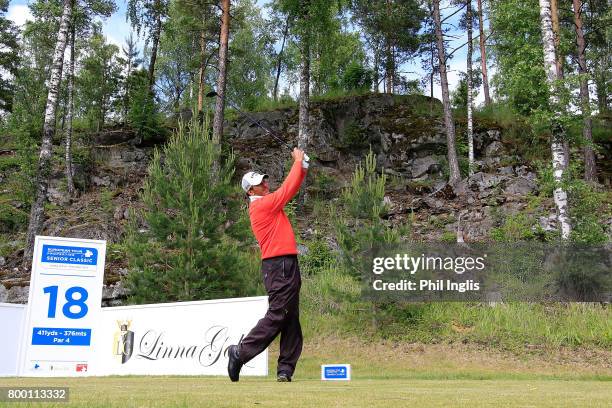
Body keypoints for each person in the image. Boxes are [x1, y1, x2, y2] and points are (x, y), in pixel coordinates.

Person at [228, 148, 309, 383]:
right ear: (250, 190)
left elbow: (291, 186)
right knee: (278, 313)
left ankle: (285, 369)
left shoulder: (267, 203)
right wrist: (297, 162)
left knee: (291, 316)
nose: (265, 185)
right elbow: (288, 189)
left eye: (265, 181)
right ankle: (240, 353)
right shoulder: (261, 205)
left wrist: (302, 166)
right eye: (260, 184)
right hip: (278, 266)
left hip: (286, 263)